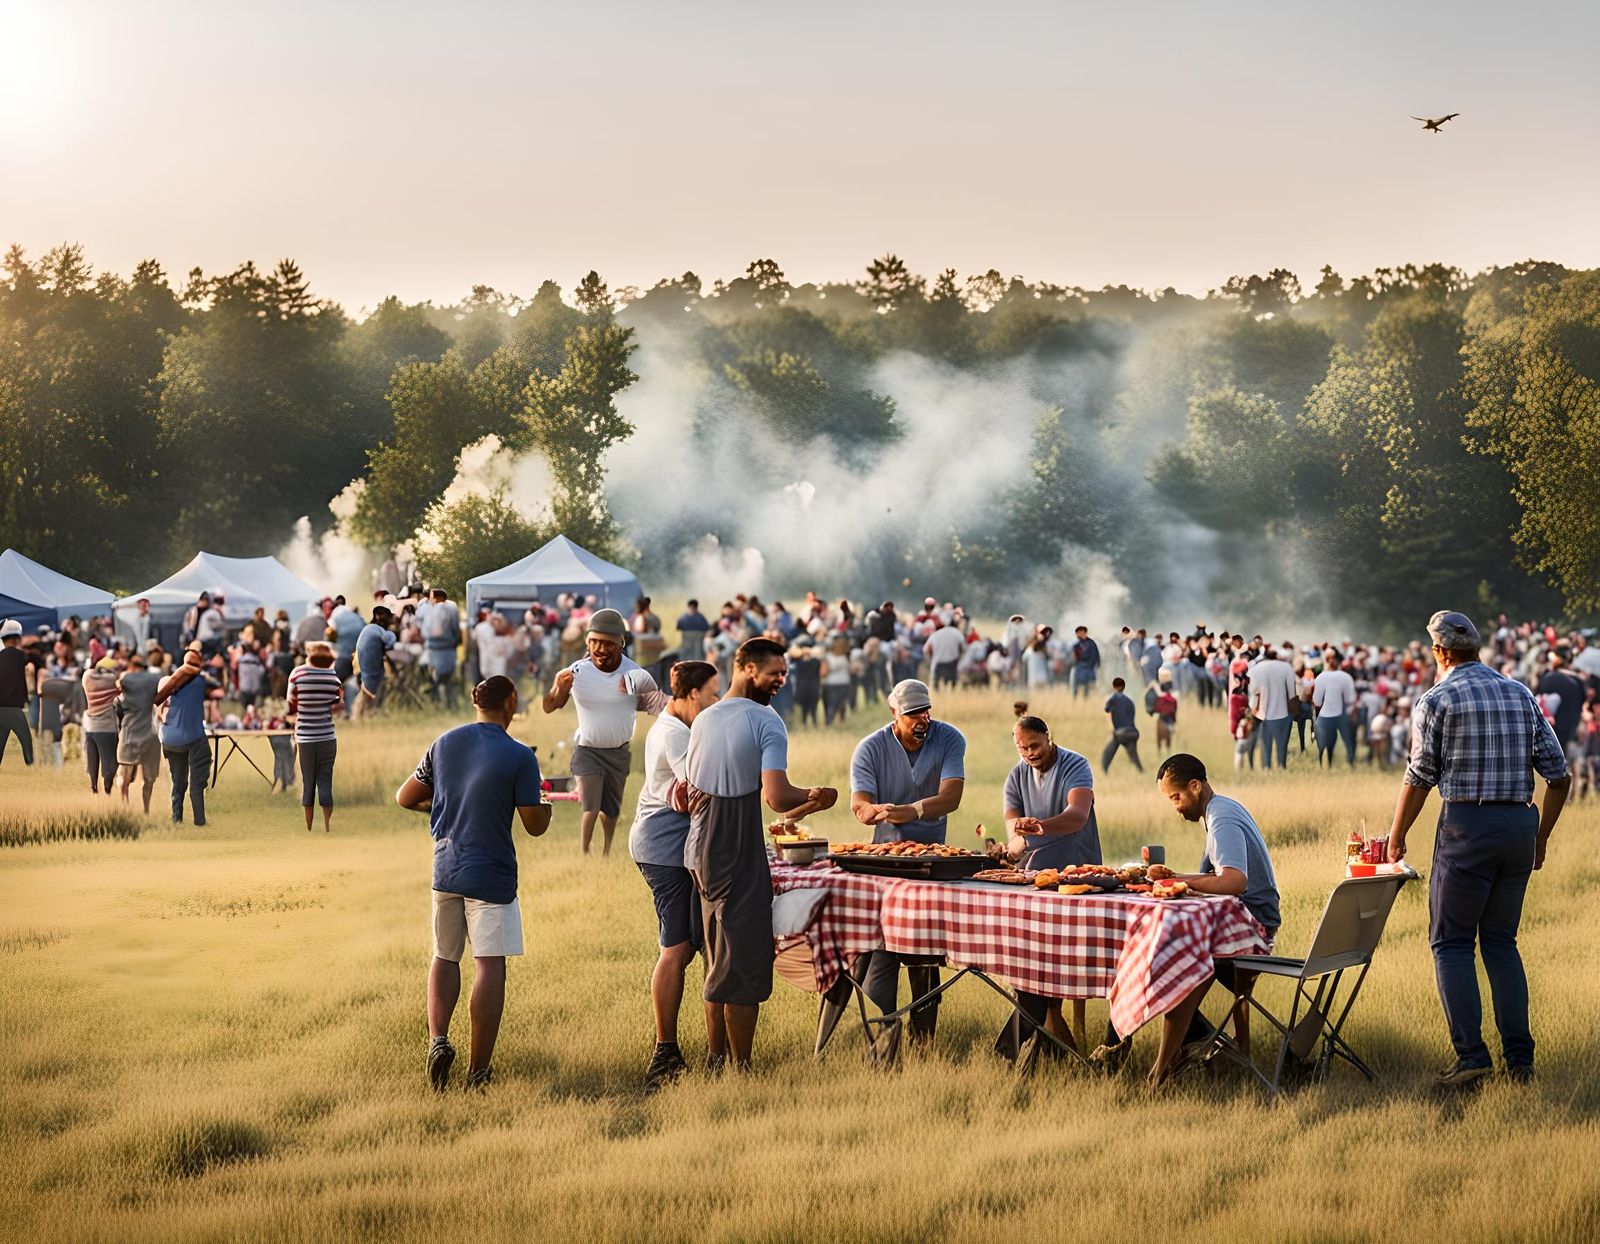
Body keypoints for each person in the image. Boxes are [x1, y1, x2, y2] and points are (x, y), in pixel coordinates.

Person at [1386, 611, 1570, 1089]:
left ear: (1440, 652)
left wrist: (1397, 833)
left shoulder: (1437, 699)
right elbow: (1559, 775)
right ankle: (1520, 1061)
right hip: (1518, 827)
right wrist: (1542, 835)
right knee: (1502, 943)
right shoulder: (1519, 693)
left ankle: (1471, 1058)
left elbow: (1420, 775)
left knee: (1450, 943)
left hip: (1467, 826)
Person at [685, 637, 837, 1071]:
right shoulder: (766, 720)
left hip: (698, 845)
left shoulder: (705, 718)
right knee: (747, 958)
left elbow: (696, 791)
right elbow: (776, 797)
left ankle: (716, 1059)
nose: (781, 681)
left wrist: (803, 804)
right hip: (734, 843)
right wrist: (814, 794)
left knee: (717, 954)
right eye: (775, 673)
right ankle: (742, 1067)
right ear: (749, 669)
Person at [397, 675, 550, 1091]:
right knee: (489, 964)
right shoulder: (519, 755)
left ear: (475, 702)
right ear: (512, 702)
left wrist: (447, 804)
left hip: (445, 868)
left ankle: (438, 1039)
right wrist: (546, 807)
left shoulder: (443, 743)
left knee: (445, 957)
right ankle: (478, 1072)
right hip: (491, 874)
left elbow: (405, 797)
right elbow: (534, 825)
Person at [1138, 753, 1281, 1088]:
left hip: (1253, 929)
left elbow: (1234, 881)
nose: (1175, 806)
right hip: (1244, 922)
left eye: (1176, 797)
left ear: (1195, 786)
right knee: (1182, 960)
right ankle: (1194, 1053)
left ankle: (1160, 1072)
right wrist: (1176, 876)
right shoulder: (1222, 808)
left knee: (1184, 967)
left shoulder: (1222, 818)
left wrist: (1181, 881)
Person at [848, 679, 967, 1047]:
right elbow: (860, 804)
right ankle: (881, 1036)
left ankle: (923, 1036)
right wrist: (873, 812)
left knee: (925, 954)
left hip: (932, 861)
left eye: (926, 711)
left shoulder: (949, 738)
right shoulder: (869, 748)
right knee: (877, 949)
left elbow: (951, 797)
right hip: (885, 864)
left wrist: (912, 810)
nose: (922, 720)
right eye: (912, 713)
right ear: (894, 714)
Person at [626, 660, 722, 1091]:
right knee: (678, 948)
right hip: (662, 849)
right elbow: (695, 789)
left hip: (669, 846)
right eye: (714, 693)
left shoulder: (670, 725)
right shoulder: (675, 733)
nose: (717, 701)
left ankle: (698, 1050)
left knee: (692, 946)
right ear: (695, 693)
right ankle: (665, 1051)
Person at [542, 607, 667, 857]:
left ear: (621, 643)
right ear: (587, 642)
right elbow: (550, 706)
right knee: (590, 805)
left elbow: (659, 705)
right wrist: (559, 689)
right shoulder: (575, 671)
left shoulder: (636, 674)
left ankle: (606, 851)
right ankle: (585, 852)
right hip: (587, 749)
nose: (600, 649)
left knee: (610, 810)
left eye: (607, 643)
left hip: (618, 752)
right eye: (594, 642)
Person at [1002, 716, 1100, 869]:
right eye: (1022, 748)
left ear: (1048, 737)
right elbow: (1013, 824)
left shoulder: (1076, 765)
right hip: (1030, 871)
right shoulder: (1016, 775)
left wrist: (1036, 828)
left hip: (1077, 868)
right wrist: (1015, 839)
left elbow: (1078, 816)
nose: (1030, 753)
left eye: (1034, 746)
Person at [154, 643, 212, 826]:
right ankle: (199, 820)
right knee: (197, 778)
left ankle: (176, 818)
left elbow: (158, 709)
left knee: (178, 781)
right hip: (192, 737)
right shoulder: (198, 683)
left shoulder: (167, 682)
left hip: (170, 739)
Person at [288, 641, 344, 833]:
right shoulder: (333, 677)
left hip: (305, 737)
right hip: (328, 736)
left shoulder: (297, 674)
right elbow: (339, 705)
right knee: (325, 781)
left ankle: (309, 828)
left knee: (308, 782)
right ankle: (328, 826)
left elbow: (291, 702)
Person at [115, 652, 162, 811]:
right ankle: (146, 810)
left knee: (124, 776)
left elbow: (118, 707)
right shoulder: (153, 679)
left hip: (129, 734)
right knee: (149, 779)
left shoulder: (124, 680)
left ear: (131, 666)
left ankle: (124, 806)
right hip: (149, 734)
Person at [1249, 647, 1298, 769]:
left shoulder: (1256, 669)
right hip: (1283, 714)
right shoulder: (1286, 667)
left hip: (1262, 715)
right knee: (1282, 745)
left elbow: (1253, 692)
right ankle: (1281, 766)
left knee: (1266, 746)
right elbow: (1292, 694)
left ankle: (1267, 768)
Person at [81, 656, 123, 795]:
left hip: (89, 726)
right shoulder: (112, 681)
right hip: (106, 727)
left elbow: (89, 670)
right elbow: (120, 682)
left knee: (92, 761)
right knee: (109, 762)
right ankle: (107, 791)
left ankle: (93, 788)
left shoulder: (87, 677)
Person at [1313, 649, 1358, 767]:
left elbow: (1317, 702)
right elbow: (1350, 699)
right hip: (1342, 714)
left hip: (1325, 714)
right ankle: (1351, 762)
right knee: (1348, 740)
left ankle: (1324, 764)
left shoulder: (1320, 678)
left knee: (1325, 742)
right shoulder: (1346, 677)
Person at [421, 588, 462, 711]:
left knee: (436, 678)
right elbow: (456, 628)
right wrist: (455, 643)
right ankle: (451, 705)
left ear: (439, 598)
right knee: (449, 679)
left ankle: (439, 704)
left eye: (432, 597)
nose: (430, 600)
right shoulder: (451, 609)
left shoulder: (429, 611)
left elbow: (424, 631)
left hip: (432, 650)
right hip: (447, 649)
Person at [0, 618, 34, 766]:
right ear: (17, 638)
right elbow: (25, 676)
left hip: (0, 706)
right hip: (14, 707)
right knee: (26, 739)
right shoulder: (21, 656)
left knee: (1, 739)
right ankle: (30, 763)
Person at [355, 605, 397, 713]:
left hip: (365, 671)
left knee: (366, 696)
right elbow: (390, 642)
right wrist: (393, 631)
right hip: (372, 674)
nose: (392, 619)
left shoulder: (369, 628)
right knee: (378, 690)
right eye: (390, 617)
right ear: (380, 616)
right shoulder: (377, 630)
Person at [1102, 676, 1142, 772]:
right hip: (1133, 732)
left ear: (1114, 687)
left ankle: (1104, 771)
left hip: (1120, 733)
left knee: (1107, 754)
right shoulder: (1129, 701)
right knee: (1133, 756)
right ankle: (1141, 771)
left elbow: (1106, 709)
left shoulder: (1113, 699)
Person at [923, 617, 964, 689]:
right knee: (952, 689)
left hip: (938, 664)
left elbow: (926, 650)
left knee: (936, 688)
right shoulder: (957, 633)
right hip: (952, 665)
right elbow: (963, 648)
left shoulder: (935, 634)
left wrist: (931, 659)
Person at [676, 599, 710, 663]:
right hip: (686, 642)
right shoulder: (683, 619)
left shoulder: (700, 618)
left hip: (698, 643)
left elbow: (706, 631)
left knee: (697, 658)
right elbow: (679, 630)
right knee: (684, 658)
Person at [1070, 625, 1100, 698]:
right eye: (1077, 633)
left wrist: (1092, 667)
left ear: (1085, 633)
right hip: (1078, 667)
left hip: (1088, 668)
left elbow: (1095, 657)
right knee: (1074, 685)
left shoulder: (1091, 644)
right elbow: (1073, 658)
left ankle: (1086, 700)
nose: (1079, 634)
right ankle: (1074, 699)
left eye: (1080, 632)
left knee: (1087, 688)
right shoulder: (1076, 645)